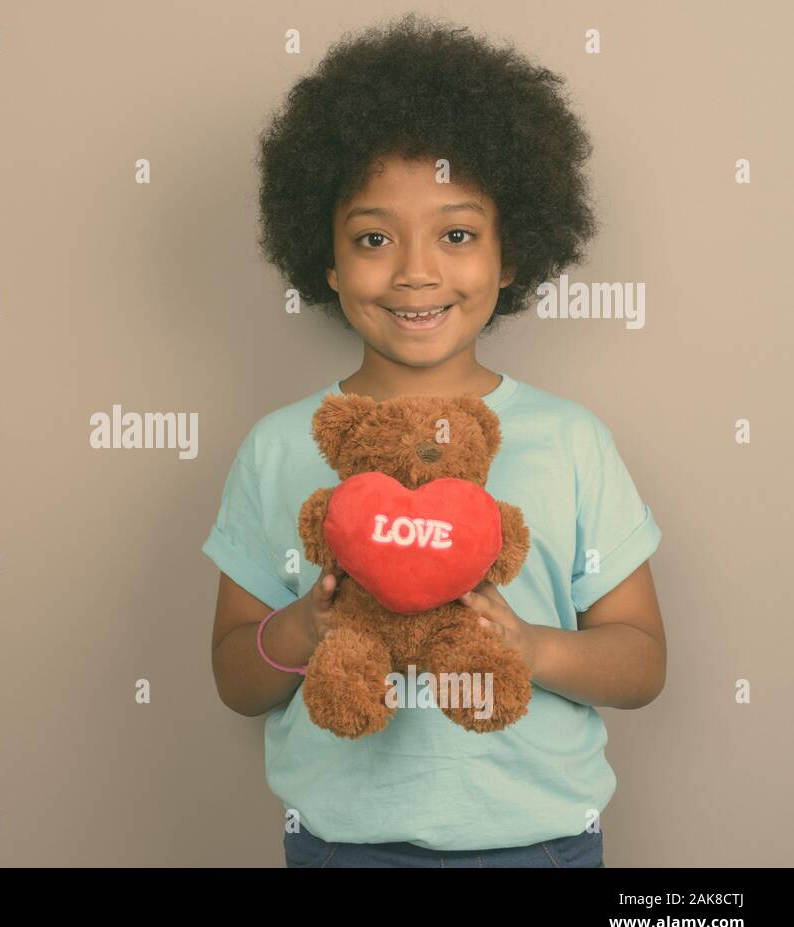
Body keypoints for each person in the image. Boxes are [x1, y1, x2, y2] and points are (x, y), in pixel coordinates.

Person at [203, 13, 666, 868]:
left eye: (457, 234)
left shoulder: (571, 442)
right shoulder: (278, 447)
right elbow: (237, 677)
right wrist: (309, 625)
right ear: (328, 261)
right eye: (374, 238)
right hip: (343, 848)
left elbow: (640, 660)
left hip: (543, 845)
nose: (416, 271)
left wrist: (530, 648)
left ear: (510, 255)